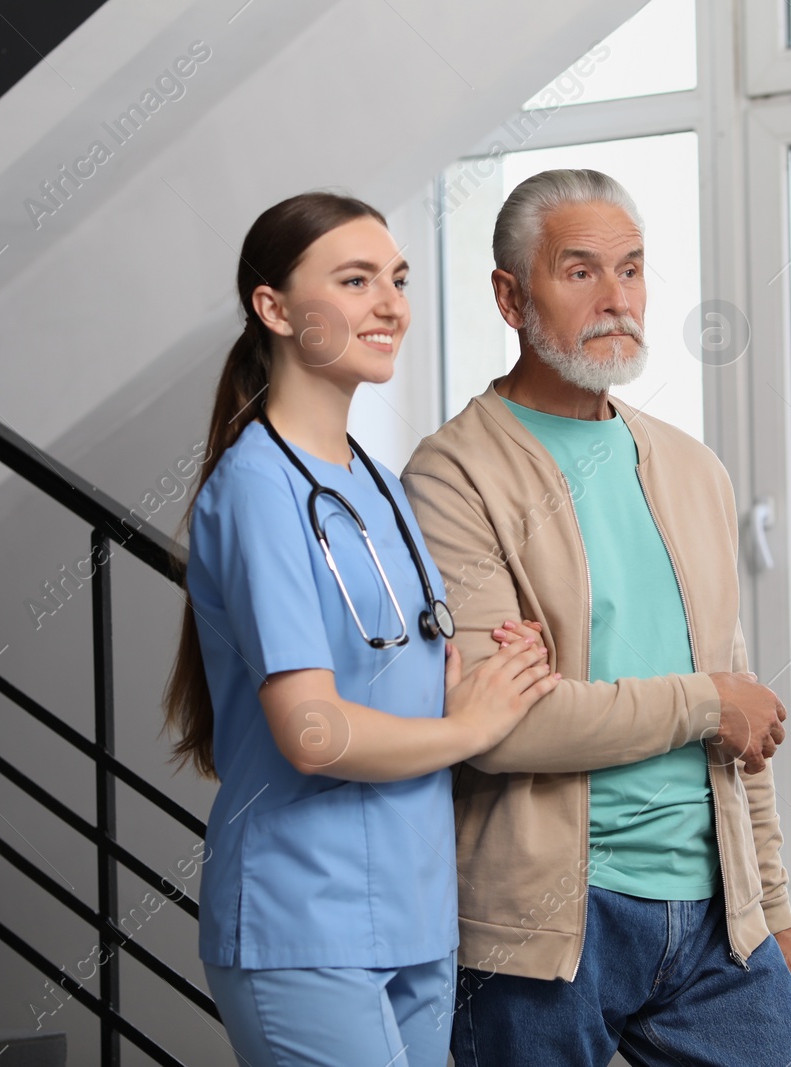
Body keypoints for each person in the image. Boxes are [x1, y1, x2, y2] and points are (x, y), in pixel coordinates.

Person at [400, 169, 791, 1066]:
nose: (616, 300)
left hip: (714, 923)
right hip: (541, 928)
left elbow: (745, 727)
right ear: (510, 295)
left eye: (633, 270)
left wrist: (773, 911)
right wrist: (703, 701)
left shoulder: (693, 469)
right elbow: (507, 728)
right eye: (580, 273)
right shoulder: (453, 475)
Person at [162, 190, 560, 1067]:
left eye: (398, 280)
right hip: (302, 916)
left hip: (417, 911)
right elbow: (311, 729)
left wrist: (492, 674)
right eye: (355, 280)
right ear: (272, 307)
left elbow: (404, 673)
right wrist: (469, 725)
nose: (390, 305)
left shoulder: (379, 485)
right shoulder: (258, 487)